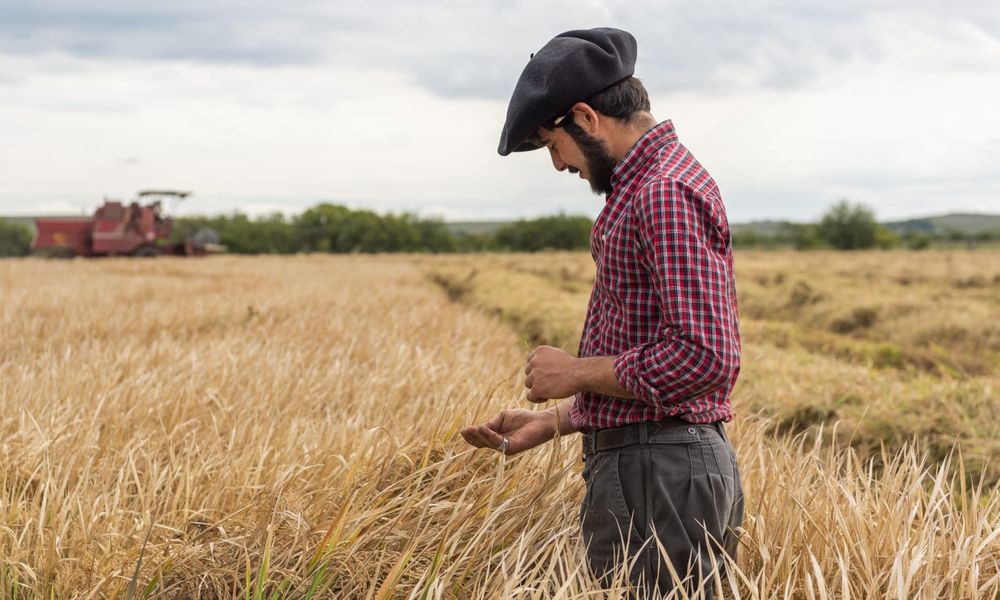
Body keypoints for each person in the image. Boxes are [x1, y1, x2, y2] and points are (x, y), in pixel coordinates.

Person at [459, 27, 744, 598]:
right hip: (656, 465)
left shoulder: (661, 191)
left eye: (550, 145)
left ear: (585, 118)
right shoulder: (647, 187)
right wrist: (562, 418)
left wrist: (575, 373)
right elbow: (655, 351)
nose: (559, 166)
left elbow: (704, 358)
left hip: (660, 472)